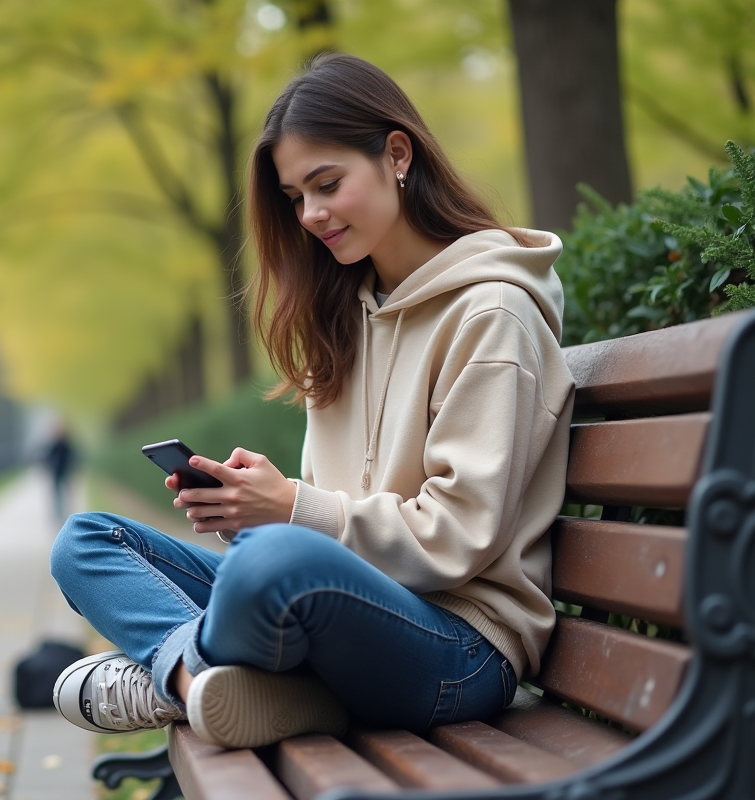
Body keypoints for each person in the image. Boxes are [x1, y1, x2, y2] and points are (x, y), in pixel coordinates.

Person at [48, 53, 574, 750]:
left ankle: (170, 675)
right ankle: (204, 683)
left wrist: (290, 511)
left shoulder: (492, 313)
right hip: (353, 613)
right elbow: (329, 525)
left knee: (269, 564)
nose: (311, 215)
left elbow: (458, 539)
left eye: (327, 185)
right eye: (296, 197)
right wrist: (253, 505)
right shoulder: (346, 313)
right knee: (87, 542)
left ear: (396, 154)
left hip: (460, 646)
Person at [44, 425, 76, 522]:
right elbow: (48, 458)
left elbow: (72, 457)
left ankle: (66, 511)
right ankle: (58, 511)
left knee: (66, 492)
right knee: (57, 493)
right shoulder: (54, 445)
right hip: (56, 472)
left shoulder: (66, 445)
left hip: (65, 472)